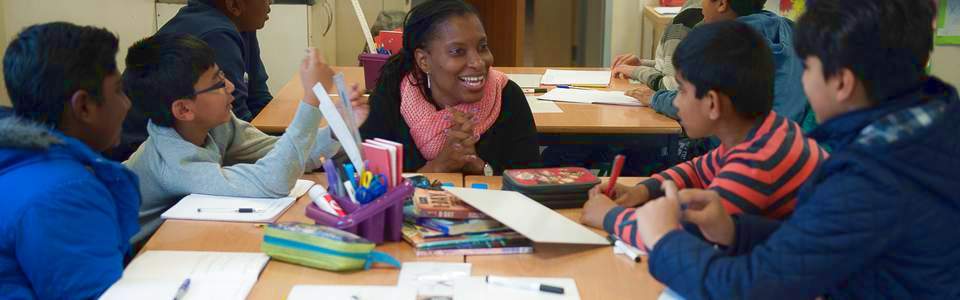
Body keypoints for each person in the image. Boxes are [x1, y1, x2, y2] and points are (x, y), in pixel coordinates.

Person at [626, 0, 960, 298]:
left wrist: (664, 237)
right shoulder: (932, 124)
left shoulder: (869, 178)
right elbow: (824, 239)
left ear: (841, 83)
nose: (801, 81)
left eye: (808, 68)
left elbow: (743, 287)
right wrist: (735, 230)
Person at [581, 20, 826, 237]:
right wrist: (641, 191)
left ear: (712, 103)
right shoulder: (764, 130)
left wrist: (609, 217)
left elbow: (684, 238)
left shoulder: (756, 162)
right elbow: (697, 170)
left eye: (682, 90)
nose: (676, 101)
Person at [121, 33, 365, 245]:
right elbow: (273, 181)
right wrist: (312, 99)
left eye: (223, 75)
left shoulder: (215, 124)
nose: (229, 86)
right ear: (184, 110)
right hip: (137, 259)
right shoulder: (173, 164)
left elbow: (284, 154)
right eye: (217, 83)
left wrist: (337, 125)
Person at [0, 22, 139, 299]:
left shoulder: (20, 161)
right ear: (84, 106)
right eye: (119, 91)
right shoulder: (65, 192)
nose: (127, 104)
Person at [359, 0, 540, 175]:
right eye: (457, 51)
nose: (478, 62)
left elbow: (530, 181)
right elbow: (368, 182)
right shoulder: (392, 94)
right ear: (424, 61)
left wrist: (478, 167)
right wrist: (437, 167)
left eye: (482, 47)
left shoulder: (506, 95)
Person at [111, 0, 279, 161]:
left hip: (201, 144)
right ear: (234, 5)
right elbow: (232, 125)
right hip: (148, 153)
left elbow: (259, 98)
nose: (271, 1)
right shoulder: (217, 34)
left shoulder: (241, 25)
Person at [645, 0, 815, 133]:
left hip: (743, 149)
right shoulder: (788, 28)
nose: (700, 5)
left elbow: (696, 102)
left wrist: (653, 98)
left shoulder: (725, 44)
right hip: (793, 142)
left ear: (721, 4)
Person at [612, 0, 703, 97]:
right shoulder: (698, 14)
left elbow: (671, 87)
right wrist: (642, 64)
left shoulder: (684, 23)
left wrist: (636, 72)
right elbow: (677, 69)